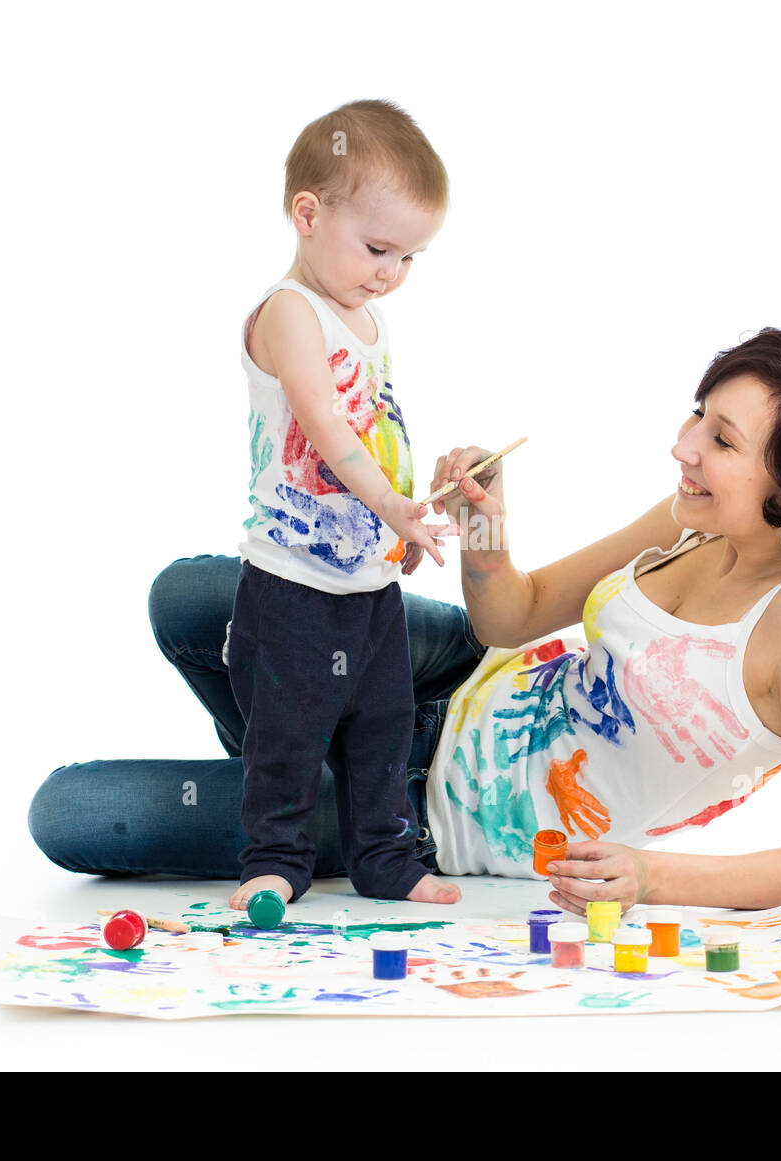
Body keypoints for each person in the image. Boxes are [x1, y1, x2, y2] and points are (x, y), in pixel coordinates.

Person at [28, 327, 781, 914]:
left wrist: (650, 875)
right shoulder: (692, 515)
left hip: (426, 816)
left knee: (71, 814)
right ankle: (305, 748)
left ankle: (304, 758)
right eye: (698, 414)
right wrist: (484, 516)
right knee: (186, 598)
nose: (684, 446)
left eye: (721, 439)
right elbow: (510, 617)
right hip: (446, 676)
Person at [224, 98, 461, 912]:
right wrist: (394, 507)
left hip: (367, 585)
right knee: (286, 735)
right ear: (308, 213)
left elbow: (376, 427)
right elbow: (325, 427)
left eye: (409, 257)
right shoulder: (291, 312)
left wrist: (407, 505)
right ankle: (276, 859)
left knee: (383, 726)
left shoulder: (366, 314)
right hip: (293, 583)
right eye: (377, 248)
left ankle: (383, 856)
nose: (391, 271)